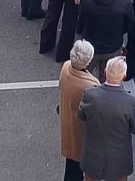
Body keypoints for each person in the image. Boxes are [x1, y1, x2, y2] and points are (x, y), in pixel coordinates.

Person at [78, 56, 135, 181]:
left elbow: (81, 116)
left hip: (93, 153)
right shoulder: (131, 102)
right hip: (119, 157)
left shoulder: (90, 95)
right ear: (124, 76)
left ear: (105, 72)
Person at [76, 0, 135, 80]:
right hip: (113, 47)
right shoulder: (124, 2)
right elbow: (130, 24)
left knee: (82, 78)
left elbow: (81, 20)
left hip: (90, 47)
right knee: (108, 80)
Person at [58, 39, 99, 181]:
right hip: (80, 131)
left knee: (71, 164)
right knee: (79, 165)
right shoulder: (90, 85)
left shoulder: (66, 67)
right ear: (87, 62)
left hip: (67, 121)